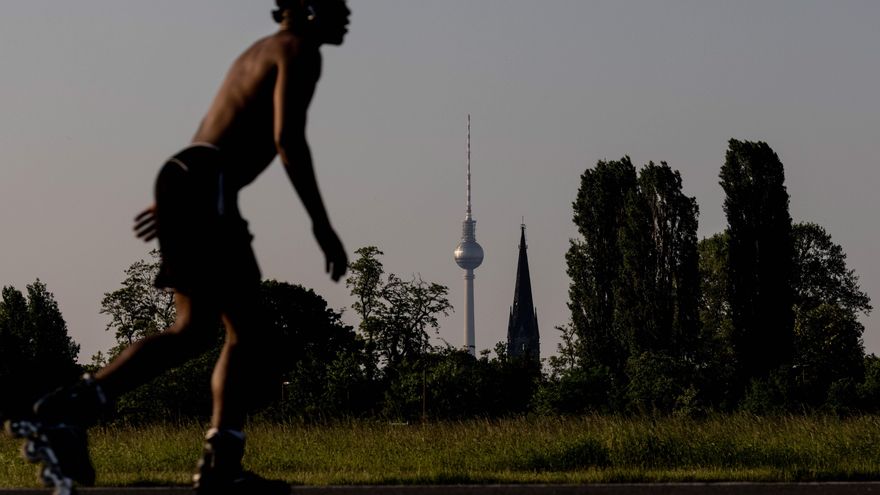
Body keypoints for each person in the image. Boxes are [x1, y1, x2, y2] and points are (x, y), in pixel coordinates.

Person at [28, 1, 350, 493]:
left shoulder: (259, 50)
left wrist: (180, 199)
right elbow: (288, 139)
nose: (346, 12)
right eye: (337, 2)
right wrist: (322, 225)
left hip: (192, 176)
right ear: (307, 8)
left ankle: (78, 411)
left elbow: (216, 132)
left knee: (196, 331)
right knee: (246, 333)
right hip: (204, 184)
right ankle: (213, 459)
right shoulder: (298, 50)